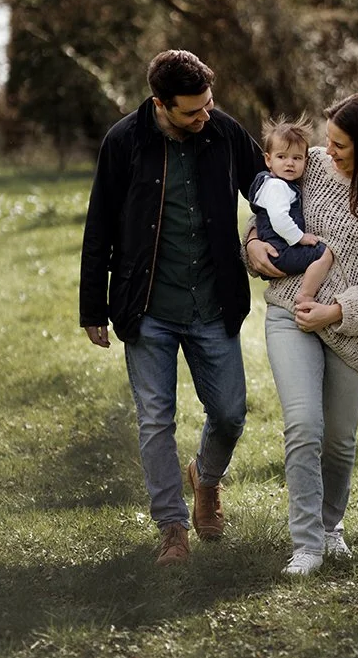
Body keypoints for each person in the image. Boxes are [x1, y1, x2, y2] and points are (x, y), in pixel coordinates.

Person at [80, 49, 265, 567]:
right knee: (155, 420)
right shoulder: (123, 141)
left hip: (213, 303)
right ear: (161, 104)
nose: (204, 116)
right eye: (192, 111)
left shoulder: (224, 132)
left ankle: (205, 480)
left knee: (229, 413)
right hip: (147, 308)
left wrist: (261, 238)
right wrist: (92, 305)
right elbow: (99, 226)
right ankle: (172, 530)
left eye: (208, 104)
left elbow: (268, 191)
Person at [246, 93, 358, 575]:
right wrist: (253, 244)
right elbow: (269, 208)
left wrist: (336, 311)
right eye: (328, 141)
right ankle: (306, 545)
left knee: (339, 441)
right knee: (304, 426)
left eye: (340, 144)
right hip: (291, 312)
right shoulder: (313, 165)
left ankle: (330, 528)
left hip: (354, 332)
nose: (329, 150)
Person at [248, 115, 334, 305]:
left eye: (297, 158)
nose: (289, 163)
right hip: (280, 251)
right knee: (324, 253)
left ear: (306, 160)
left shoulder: (269, 184)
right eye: (282, 157)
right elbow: (279, 219)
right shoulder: (277, 187)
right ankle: (305, 295)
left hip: (276, 250)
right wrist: (300, 237)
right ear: (268, 160)